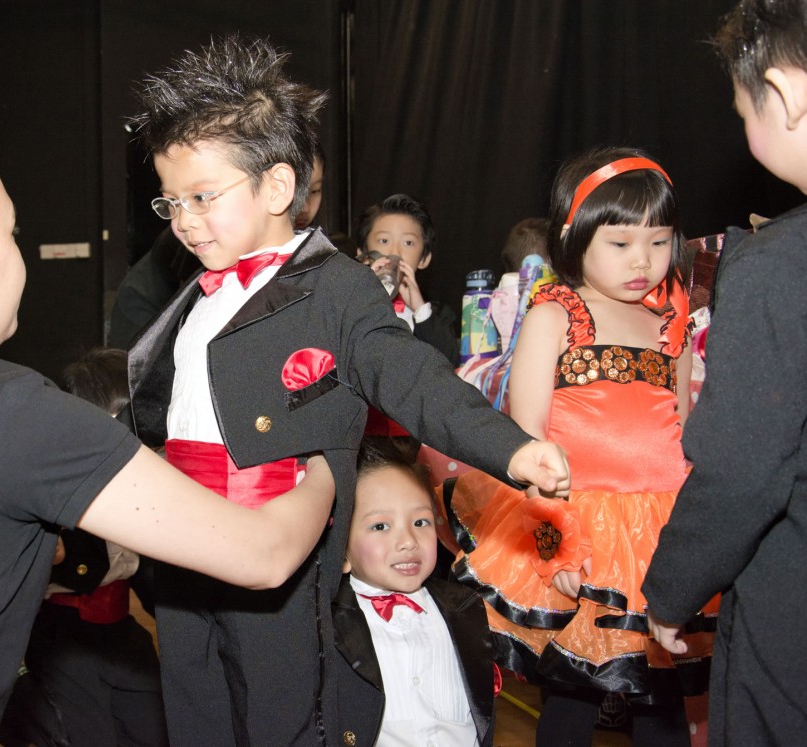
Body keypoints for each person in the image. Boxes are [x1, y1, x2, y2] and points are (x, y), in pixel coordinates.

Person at [0, 120, 338, 746]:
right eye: (11, 234)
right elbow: (263, 555)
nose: (18, 256)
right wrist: (331, 456)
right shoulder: (10, 412)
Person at [126, 34, 570, 746]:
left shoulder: (337, 286)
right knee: (195, 705)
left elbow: (409, 374)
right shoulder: (198, 290)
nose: (183, 219)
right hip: (183, 540)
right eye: (170, 201)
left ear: (277, 187)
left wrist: (510, 447)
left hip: (275, 545)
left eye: (202, 196)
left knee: (281, 714)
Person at [451, 146, 715, 746]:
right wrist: (558, 547)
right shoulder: (556, 314)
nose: (642, 260)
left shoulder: (670, 324)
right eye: (621, 243)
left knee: (661, 698)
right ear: (574, 237)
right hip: (577, 527)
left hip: (657, 533)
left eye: (658, 241)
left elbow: (680, 433)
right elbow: (526, 443)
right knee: (572, 697)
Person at [643, 2, 807, 743]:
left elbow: (743, 467)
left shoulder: (778, 266)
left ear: (783, 93)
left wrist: (673, 587)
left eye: (743, 111)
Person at [5, 347, 168, 747]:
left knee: (156, 731)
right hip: (63, 636)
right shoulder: (52, 483)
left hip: (120, 631)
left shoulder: (146, 482)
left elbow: (149, 574)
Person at [333, 439, 498, 747]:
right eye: (380, 526)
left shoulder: (467, 608)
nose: (409, 540)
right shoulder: (324, 624)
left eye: (420, 522)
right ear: (341, 549)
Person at [356, 193, 459, 363]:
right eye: (384, 241)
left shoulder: (437, 316)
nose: (395, 252)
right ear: (363, 254)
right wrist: (367, 296)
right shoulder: (348, 305)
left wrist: (420, 309)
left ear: (424, 259)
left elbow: (449, 363)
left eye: (408, 243)